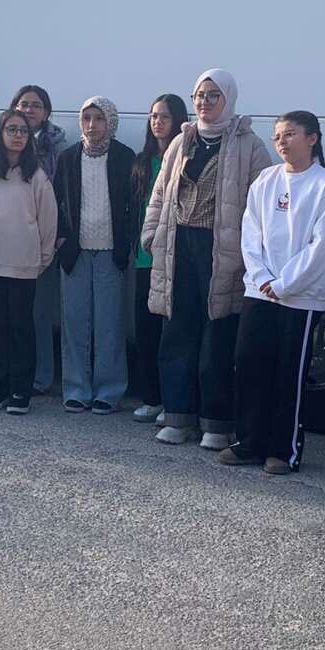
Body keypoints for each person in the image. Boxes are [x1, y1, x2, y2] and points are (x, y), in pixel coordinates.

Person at [142, 69, 271, 448]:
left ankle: (216, 422)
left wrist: (254, 250)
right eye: (199, 95)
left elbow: (262, 205)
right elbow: (160, 194)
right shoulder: (182, 142)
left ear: (228, 98)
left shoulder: (250, 144)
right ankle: (178, 415)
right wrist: (151, 234)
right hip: (179, 245)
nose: (204, 102)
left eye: (213, 96)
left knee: (218, 334)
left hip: (223, 251)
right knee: (177, 330)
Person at [220, 111, 325, 473]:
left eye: (290, 134)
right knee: (249, 364)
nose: (282, 142)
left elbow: (322, 246)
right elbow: (250, 232)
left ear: (312, 138)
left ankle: (283, 449)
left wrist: (285, 283)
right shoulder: (265, 179)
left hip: (300, 296)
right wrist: (262, 278)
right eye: (277, 136)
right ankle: (249, 441)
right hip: (260, 291)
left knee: (288, 372)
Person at [0, 108, 58, 414]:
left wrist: (43, 256)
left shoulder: (36, 175)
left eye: (23, 131)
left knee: (22, 326)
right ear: (0, 133)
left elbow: (48, 220)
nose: (18, 136)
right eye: (12, 129)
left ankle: (21, 390)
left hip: (24, 264)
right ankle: (0, 385)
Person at [54, 96, 134, 414]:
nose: (91, 125)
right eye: (86, 118)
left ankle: (109, 390)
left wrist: (125, 243)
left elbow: (133, 205)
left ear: (110, 122)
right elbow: (56, 201)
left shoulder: (125, 158)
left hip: (110, 252)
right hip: (76, 251)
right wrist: (61, 238)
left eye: (99, 119)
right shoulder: (68, 158)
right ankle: (76, 387)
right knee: (74, 321)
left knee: (109, 324)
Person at [129, 92, 189, 422]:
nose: (157, 122)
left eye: (164, 116)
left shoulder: (188, 157)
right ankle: (150, 396)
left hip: (176, 260)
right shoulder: (142, 162)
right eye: (153, 116)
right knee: (146, 331)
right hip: (144, 259)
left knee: (174, 335)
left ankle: (173, 402)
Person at [12, 84, 68, 392]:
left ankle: (41, 376)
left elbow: (61, 194)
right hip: (7, 239)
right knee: (7, 310)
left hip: (43, 237)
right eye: (23, 104)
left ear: (46, 112)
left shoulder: (55, 148)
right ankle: (4, 370)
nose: (28, 110)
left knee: (39, 312)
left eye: (35, 105)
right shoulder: (1, 144)